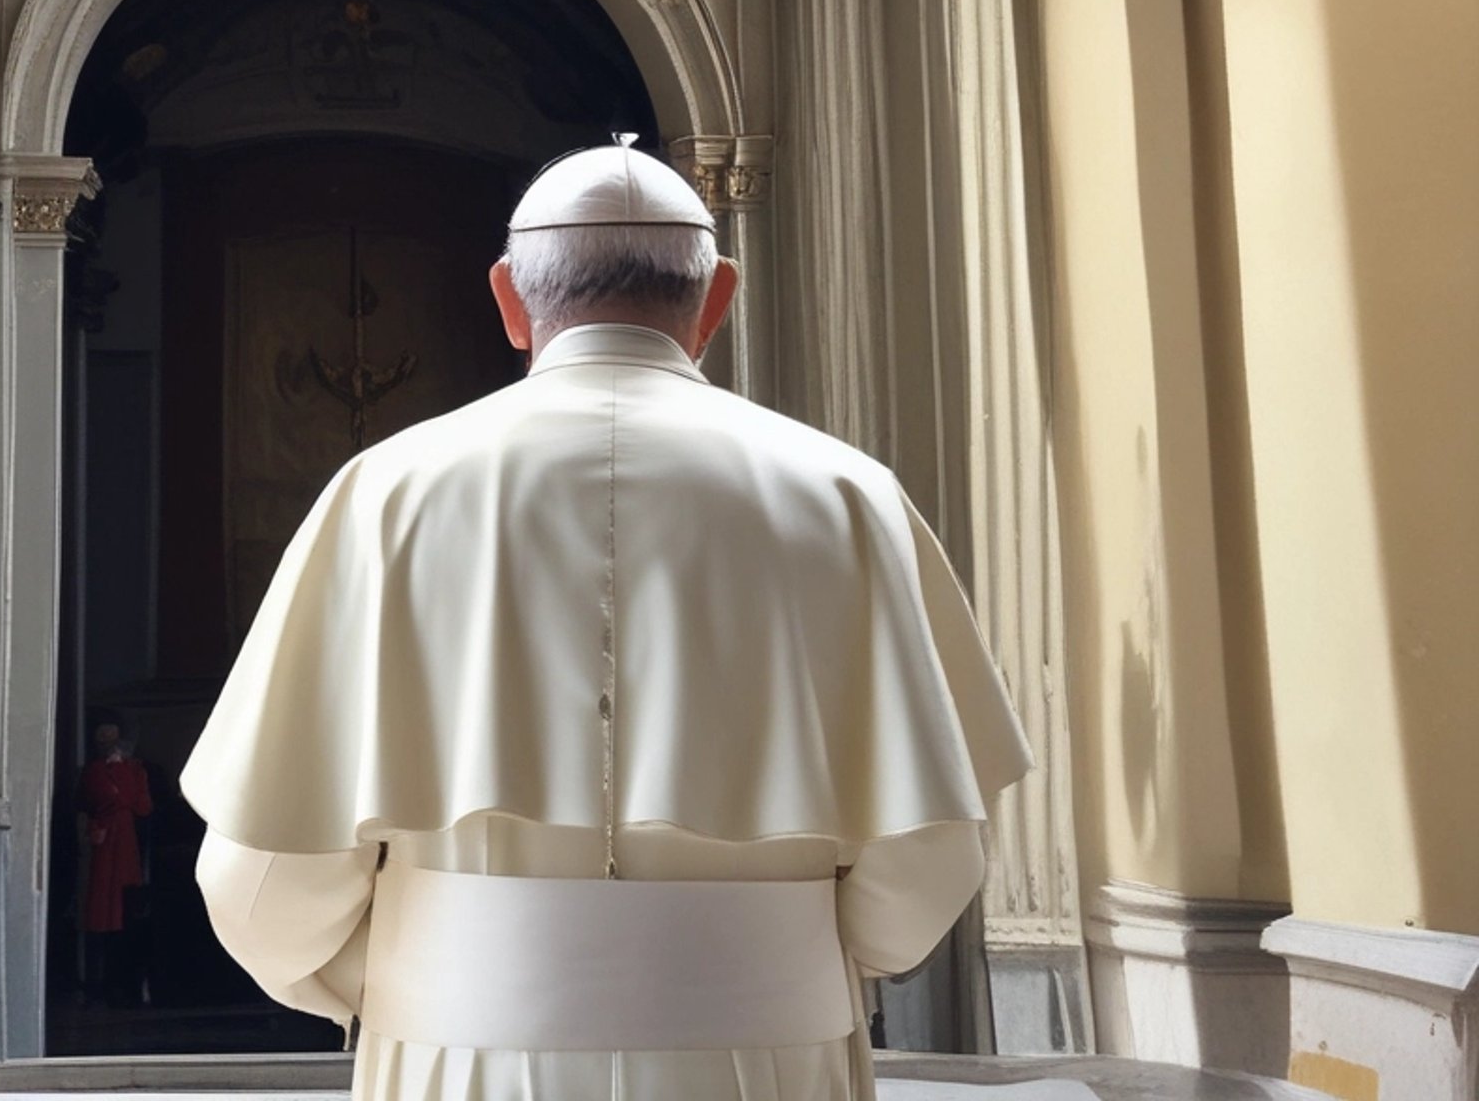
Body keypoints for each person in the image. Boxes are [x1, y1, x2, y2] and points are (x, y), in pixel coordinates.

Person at [181, 138, 1030, 1100]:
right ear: (716, 302)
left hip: (465, 1061)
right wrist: (769, 959)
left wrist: (445, 961)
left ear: (509, 299)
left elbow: (263, 881)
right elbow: (928, 862)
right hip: (772, 1060)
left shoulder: (385, 494)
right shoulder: (848, 496)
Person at [78, 709, 152, 1005]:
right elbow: (103, 799)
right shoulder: (93, 770)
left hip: (125, 846)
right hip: (102, 846)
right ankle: (97, 980)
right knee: (99, 913)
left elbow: (141, 805)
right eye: (102, 733)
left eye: (111, 732)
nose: (106, 738)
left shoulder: (135, 769)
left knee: (126, 910)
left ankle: (123, 979)